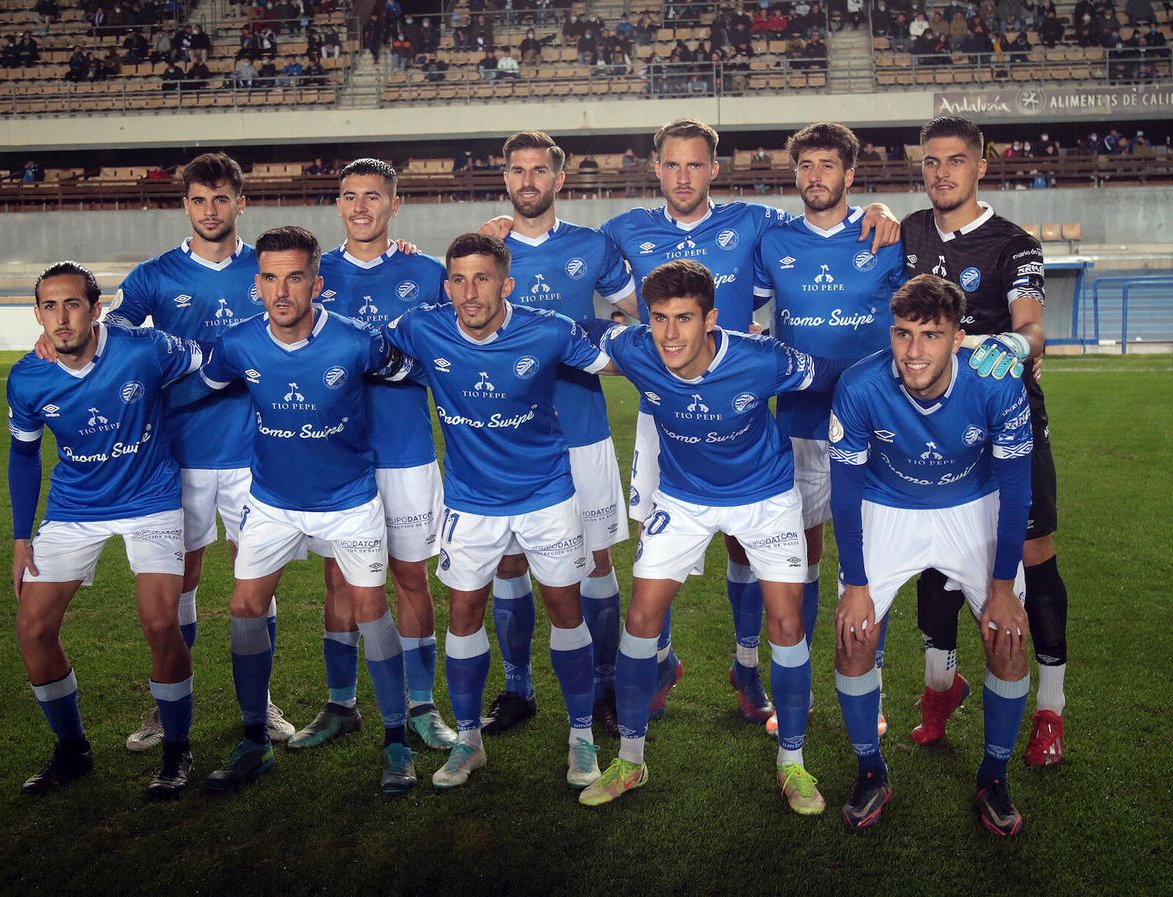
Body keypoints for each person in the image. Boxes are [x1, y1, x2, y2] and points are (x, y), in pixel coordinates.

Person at [482, 118, 900, 724]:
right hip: (662, 414)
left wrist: (877, 209)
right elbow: (585, 267)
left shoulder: (754, 223)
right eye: (672, 165)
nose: (683, 177)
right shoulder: (623, 231)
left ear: (713, 169)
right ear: (656, 169)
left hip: (740, 408)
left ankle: (746, 666)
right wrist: (503, 226)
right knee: (658, 546)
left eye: (695, 164)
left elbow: (821, 219)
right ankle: (660, 662)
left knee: (744, 542)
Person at [38, 153, 297, 750]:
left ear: (240, 203)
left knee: (255, 581)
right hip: (177, 453)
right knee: (182, 580)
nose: (210, 210)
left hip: (257, 450)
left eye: (221, 199)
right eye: (199, 200)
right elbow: (105, 332)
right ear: (185, 205)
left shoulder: (268, 267)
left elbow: (322, 288)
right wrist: (51, 334)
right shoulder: (154, 275)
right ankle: (166, 705)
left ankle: (258, 702)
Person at [576, 260, 852, 815]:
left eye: (684, 319)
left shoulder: (762, 359)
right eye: (659, 318)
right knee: (641, 617)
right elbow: (571, 329)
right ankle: (630, 760)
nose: (670, 334)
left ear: (711, 320)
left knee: (787, 622)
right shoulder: (636, 349)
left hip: (765, 497)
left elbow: (836, 374)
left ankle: (792, 763)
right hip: (683, 499)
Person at [197, 226, 422, 795]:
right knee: (244, 606)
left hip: (349, 501)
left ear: (316, 285)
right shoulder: (237, 344)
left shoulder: (356, 341)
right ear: (256, 285)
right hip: (271, 502)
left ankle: (396, 742)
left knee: (370, 609)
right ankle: (254, 741)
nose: (281, 291)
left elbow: (409, 369)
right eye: (270, 278)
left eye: (294, 277)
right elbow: (207, 381)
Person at [382, 234, 611, 791]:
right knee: (463, 613)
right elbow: (360, 349)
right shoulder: (421, 327)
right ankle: (469, 740)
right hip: (470, 501)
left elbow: (616, 361)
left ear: (506, 284)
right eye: (458, 280)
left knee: (566, 609)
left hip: (547, 495)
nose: (469, 292)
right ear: (446, 287)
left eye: (482, 279)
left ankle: (581, 737)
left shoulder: (549, 330)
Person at [828, 273, 1033, 836]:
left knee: (1009, 638)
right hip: (887, 504)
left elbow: (1017, 490)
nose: (913, 351)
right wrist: (855, 585)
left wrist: (1002, 588)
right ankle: (871, 770)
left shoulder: (996, 384)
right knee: (853, 637)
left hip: (972, 504)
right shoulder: (860, 386)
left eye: (931, 335)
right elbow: (845, 492)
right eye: (902, 333)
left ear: (957, 338)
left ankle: (994, 777)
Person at [899, 116, 1068, 767]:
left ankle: (1049, 710)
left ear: (980, 167)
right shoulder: (910, 232)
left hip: (1008, 427)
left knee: (1033, 557)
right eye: (931, 161)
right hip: (931, 429)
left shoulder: (1014, 245)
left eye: (955, 160)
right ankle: (941, 688)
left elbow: (1032, 327)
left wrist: (1015, 345)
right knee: (934, 555)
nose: (942, 172)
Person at [6, 261, 203, 798]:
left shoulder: (144, 349)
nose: (61, 317)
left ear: (96, 310)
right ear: (38, 315)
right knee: (33, 628)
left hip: (151, 500)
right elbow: (23, 456)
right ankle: (72, 749)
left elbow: (212, 361)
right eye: (50, 306)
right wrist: (21, 538)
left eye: (72, 304)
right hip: (74, 508)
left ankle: (176, 748)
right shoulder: (27, 377)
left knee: (160, 621)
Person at [750, 121, 907, 735]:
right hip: (798, 422)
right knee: (801, 560)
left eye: (827, 165)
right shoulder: (774, 242)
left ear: (850, 174)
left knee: (867, 563)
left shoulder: (884, 236)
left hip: (874, 423)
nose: (815, 176)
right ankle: (802, 689)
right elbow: (738, 304)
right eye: (806, 166)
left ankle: (870, 687)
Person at [481, 131, 638, 739]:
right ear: (505, 178)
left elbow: (642, 313)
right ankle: (517, 688)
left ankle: (604, 687)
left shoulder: (591, 246)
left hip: (582, 427)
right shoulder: (488, 250)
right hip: (510, 435)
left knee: (596, 557)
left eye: (539, 170)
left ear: (559, 179)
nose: (528, 181)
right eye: (517, 170)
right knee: (510, 558)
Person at [301, 159, 456, 751]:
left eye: (372, 196)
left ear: (395, 204)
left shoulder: (427, 272)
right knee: (340, 579)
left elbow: (454, 344)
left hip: (406, 449)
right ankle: (341, 704)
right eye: (349, 196)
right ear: (338, 204)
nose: (360, 206)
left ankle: (422, 704)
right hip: (335, 453)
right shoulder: (315, 274)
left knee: (411, 575)